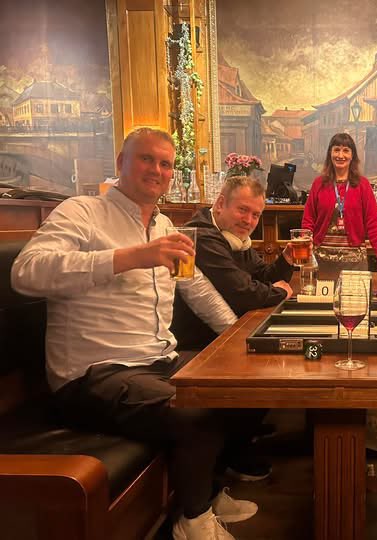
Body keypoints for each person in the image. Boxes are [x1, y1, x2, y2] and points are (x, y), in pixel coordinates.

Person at [11, 127, 262, 540]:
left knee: (239, 387)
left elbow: (196, 288)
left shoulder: (163, 225)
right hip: (93, 373)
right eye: (146, 159)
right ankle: (193, 522)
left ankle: (207, 493)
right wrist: (131, 257)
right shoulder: (82, 211)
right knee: (196, 413)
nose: (157, 170)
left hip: (157, 361)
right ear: (121, 163)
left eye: (165, 163)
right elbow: (26, 272)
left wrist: (238, 338)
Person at [174, 174, 294, 351]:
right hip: (200, 348)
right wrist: (281, 292)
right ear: (220, 204)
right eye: (243, 210)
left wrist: (286, 259)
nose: (248, 221)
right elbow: (242, 293)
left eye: (255, 215)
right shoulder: (201, 236)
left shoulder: (234, 237)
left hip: (226, 338)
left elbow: (264, 275)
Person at [301, 132, 377, 280]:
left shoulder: (363, 185)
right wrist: (306, 247)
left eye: (346, 150)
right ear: (330, 153)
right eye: (336, 150)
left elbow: (374, 223)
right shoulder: (318, 184)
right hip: (321, 262)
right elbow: (308, 220)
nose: (340, 155)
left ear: (352, 155)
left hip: (355, 263)